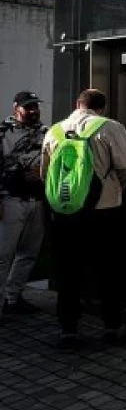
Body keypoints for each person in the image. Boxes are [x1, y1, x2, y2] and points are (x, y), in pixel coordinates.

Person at [42, 88, 126, 347]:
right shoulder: (110, 128)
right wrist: (113, 190)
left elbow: (45, 173)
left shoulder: (55, 130)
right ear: (102, 108)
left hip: (64, 213)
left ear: (77, 104)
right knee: (108, 270)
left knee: (68, 271)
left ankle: (68, 330)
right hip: (104, 213)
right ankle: (112, 327)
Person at [0, 91, 47, 319]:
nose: (33, 111)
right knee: (3, 255)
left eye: (35, 106)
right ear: (16, 108)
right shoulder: (3, 133)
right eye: (28, 107)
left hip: (37, 202)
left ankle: (13, 299)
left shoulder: (46, 133)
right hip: (11, 200)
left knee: (28, 253)